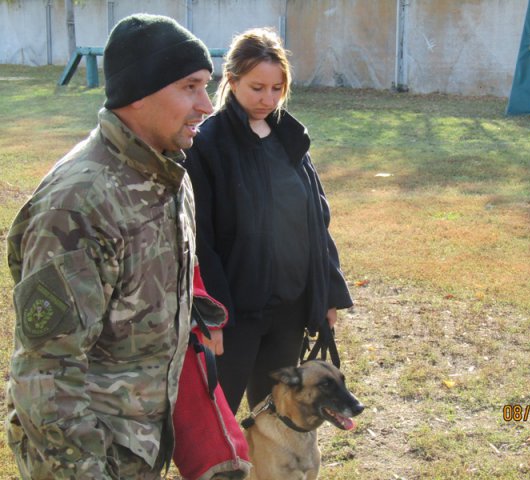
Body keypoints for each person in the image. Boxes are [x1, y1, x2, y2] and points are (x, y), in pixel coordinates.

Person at [5, 13, 226, 479]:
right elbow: (46, 377)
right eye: (190, 86)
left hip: (141, 446)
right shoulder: (79, 204)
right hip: (91, 458)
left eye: (206, 86)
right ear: (140, 93)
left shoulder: (166, 174)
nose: (206, 104)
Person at [183, 27, 353, 415]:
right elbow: (200, 238)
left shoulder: (290, 139)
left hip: (289, 310)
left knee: (273, 413)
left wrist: (327, 294)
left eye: (277, 88)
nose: (268, 99)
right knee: (218, 415)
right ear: (232, 80)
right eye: (257, 87)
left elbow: (315, 220)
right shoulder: (207, 146)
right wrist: (213, 314)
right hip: (235, 314)